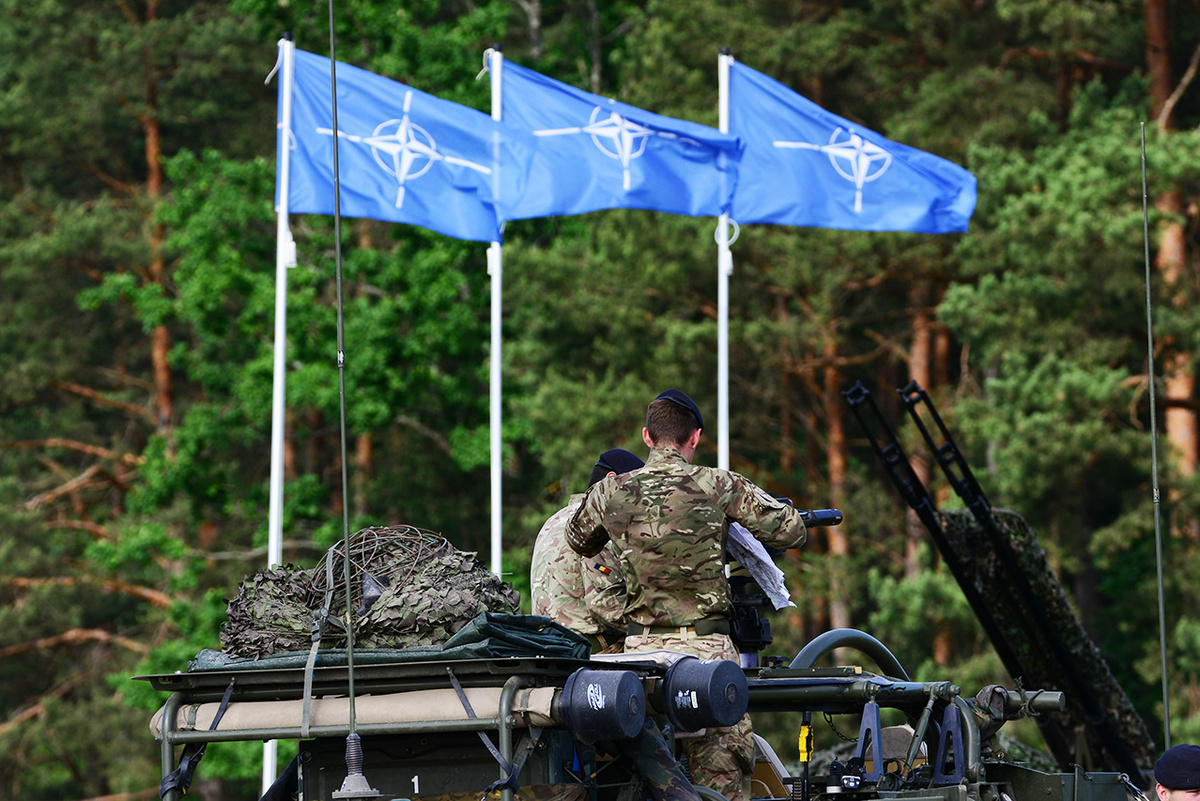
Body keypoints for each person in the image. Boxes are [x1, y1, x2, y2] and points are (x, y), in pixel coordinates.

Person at [566, 388, 808, 801]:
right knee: (723, 773)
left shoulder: (610, 491)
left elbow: (578, 539)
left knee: (641, 779)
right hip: (707, 654)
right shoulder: (718, 484)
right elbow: (791, 531)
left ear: (647, 436)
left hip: (639, 658)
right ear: (694, 437)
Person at [530, 448, 643, 654]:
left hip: (549, 649)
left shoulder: (555, 519)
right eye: (636, 489)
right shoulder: (596, 526)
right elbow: (606, 606)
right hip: (590, 652)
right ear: (611, 481)